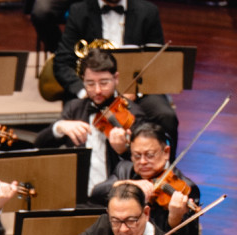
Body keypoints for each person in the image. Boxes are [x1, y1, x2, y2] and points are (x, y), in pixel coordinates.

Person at [48, 0, 178, 156]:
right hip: (93, 91)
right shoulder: (79, 11)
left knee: (166, 116)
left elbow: (157, 62)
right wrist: (86, 91)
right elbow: (62, 62)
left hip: (137, 89)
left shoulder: (148, 11)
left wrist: (134, 90)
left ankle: (165, 167)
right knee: (75, 118)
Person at [35, 49, 146, 194]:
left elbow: (145, 165)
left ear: (116, 78)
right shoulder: (75, 108)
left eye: (104, 83)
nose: (97, 90)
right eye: (90, 83)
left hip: (116, 196)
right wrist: (59, 127)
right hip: (78, 196)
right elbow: (39, 143)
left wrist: (124, 150)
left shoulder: (133, 113)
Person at [89, 122, 199, 235]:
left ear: (166, 152)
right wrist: (127, 184)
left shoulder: (186, 189)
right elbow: (96, 194)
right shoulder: (125, 170)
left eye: (149, 155)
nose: (142, 161)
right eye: (137, 156)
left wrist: (174, 219)